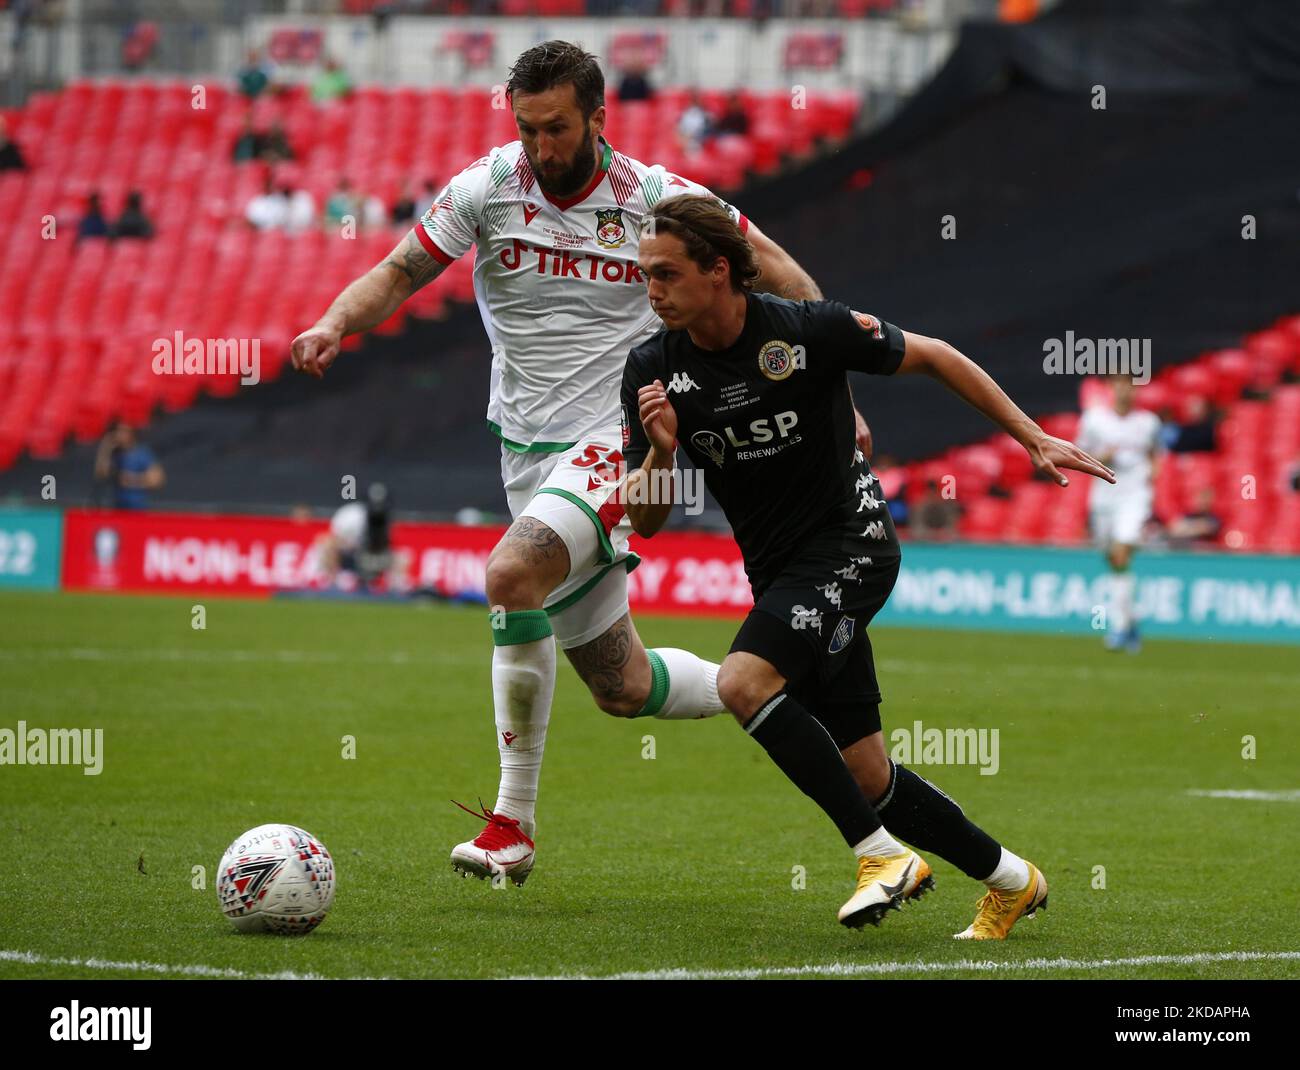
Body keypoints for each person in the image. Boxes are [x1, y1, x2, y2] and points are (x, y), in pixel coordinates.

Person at [289, 41, 870, 888]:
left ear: (599, 117)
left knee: (511, 573)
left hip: (625, 437)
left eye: (556, 128)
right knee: (622, 685)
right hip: (525, 450)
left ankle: (510, 826)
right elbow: (399, 271)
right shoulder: (488, 187)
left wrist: (837, 392)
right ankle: (773, 682)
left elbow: (778, 272)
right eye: (526, 127)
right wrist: (336, 321)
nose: (539, 146)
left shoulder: (656, 199)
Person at [622, 194, 1114, 934]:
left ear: (718, 270)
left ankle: (880, 855)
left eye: (665, 273)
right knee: (867, 773)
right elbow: (649, 523)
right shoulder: (654, 368)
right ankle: (1012, 880)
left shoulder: (805, 329)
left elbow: (936, 355)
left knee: (743, 681)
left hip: (852, 541)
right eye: (645, 276)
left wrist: (1032, 437)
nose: (651, 290)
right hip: (780, 571)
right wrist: (661, 448)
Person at [1076, 376, 1162, 652]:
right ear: (1110, 388)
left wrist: (1152, 476)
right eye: (1118, 384)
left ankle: (1119, 628)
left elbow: (1155, 454)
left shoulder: (1148, 422)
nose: (1124, 389)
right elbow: (1078, 455)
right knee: (1112, 558)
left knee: (1122, 553)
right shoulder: (1094, 420)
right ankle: (1130, 621)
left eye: (1129, 384)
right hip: (1104, 494)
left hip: (1134, 495)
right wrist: (1102, 458)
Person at [93, 422, 165, 510]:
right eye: (117, 431)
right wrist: (106, 447)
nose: (119, 435)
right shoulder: (115, 453)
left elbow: (157, 480)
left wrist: (132, 480)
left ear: (131, 433)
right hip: (118, 507)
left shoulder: (142, 453)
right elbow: (101, 473)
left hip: (138, 507)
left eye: (123, 432)